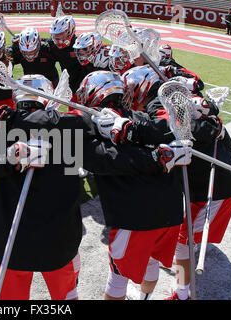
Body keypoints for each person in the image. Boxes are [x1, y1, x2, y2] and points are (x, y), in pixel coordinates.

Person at [0, 74, 191, 300]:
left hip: (10, 240)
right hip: (60, 240)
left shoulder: (2, 125)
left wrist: (11, 156)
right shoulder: (72, 126)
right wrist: (157, 157)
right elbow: (111, 159)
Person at [79, 70, 192, 300]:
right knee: (150, 260)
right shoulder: (139, 118)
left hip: (136, 216)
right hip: (171, 211)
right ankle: (144, 298)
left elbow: (104, 159)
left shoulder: (90, 127)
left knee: (118, 276)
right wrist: (155, 153)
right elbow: (167, 129)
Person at [166, 96, 231, 300]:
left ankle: (182, 294)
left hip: (216, 191)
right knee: (187, 237)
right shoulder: (211, 124)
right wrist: (216, 127)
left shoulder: (192, 130)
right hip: (212, 186)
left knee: (182, 242)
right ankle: (193, 249)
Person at [48, 15, 85, 98]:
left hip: (86, 86)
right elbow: (41, 44)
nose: (57, 38)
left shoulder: (80, 45)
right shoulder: (52, 45)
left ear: (70, 31)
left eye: (61, 34)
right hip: (70, 87)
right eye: (55, 35)